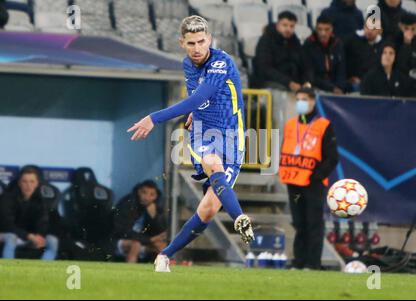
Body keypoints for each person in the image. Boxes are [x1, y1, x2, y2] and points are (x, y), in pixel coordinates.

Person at [127, 15, 254, 272]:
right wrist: (194, 115)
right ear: (182, 43)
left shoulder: (222, 63)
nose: (197, 48)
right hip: (203, 135)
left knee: (207, 210)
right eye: (191, 43)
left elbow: (199, 98)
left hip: (232, 138)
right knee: (212, 162)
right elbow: (197, 100)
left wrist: (154, 118)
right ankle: (240, 217)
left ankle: (164, 255)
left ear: (209, 39)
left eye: (201, 41)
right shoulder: (188, 64)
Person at [279, 88, 338, 270]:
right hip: (293, 181)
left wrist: (317, 176)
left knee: (314, 223)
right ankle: (299, 261)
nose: (301, 103)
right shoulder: (290, 124)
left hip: (313, 183)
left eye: (304, 99)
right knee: (299, 223)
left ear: (313, 101)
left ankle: (313, 263)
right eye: (298, 99)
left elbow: (332, 157)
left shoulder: (323, 125)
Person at [0, 166, 59, 260]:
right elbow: (7, 225)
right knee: (11, 237)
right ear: (19, 183)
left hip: (27, 237)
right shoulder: (7, 198)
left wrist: (40, 236)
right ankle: (8, 268)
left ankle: (43, 270)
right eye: (25, 181)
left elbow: (42, 222)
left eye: (32, 182)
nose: (28, 185)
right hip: (6, 234)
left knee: (52, 241)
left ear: (37, 184)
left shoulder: (39, 201)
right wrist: (28, 236)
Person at [252, 11, 312, 92]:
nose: (288, 29)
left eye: (292, 26)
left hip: (293, 84)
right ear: (277, 25)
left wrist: (307, 82)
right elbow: (265, 69)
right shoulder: (266, 40)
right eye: (285, 25)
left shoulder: (295, 42)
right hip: (270, 83)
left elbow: (305, 65)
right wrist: (288, 83)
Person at [114, 180, 168, 263]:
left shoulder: (155, 207)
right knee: (135, 245)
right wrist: (148, 240)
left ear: (156, 196)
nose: (146, 197)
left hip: (143, 240)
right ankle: (130, 273)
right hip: (119, 241)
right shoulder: (128, 204)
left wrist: (154, 217)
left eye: (151, 195)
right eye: (144, 192)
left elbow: (160, 231)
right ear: (139, 191)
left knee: (163, 247)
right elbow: (123, 231)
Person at [303, 15, 346, 94]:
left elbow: (341, 69)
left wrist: (340, 87)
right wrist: (332, 88)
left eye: (327, 29)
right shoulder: (308, 44)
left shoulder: (337, 44)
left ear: (332, 29)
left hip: (336, 86)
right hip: (317, 86)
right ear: (315, 29)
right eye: (320, 29)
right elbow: (310, 74)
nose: (323, 33)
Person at [345, 15, 384, 92]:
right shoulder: (351, 41)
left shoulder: (384, 46)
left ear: (380, 30)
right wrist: (349, 77)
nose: (369, 31)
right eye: (367, 27)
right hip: (355, 83)